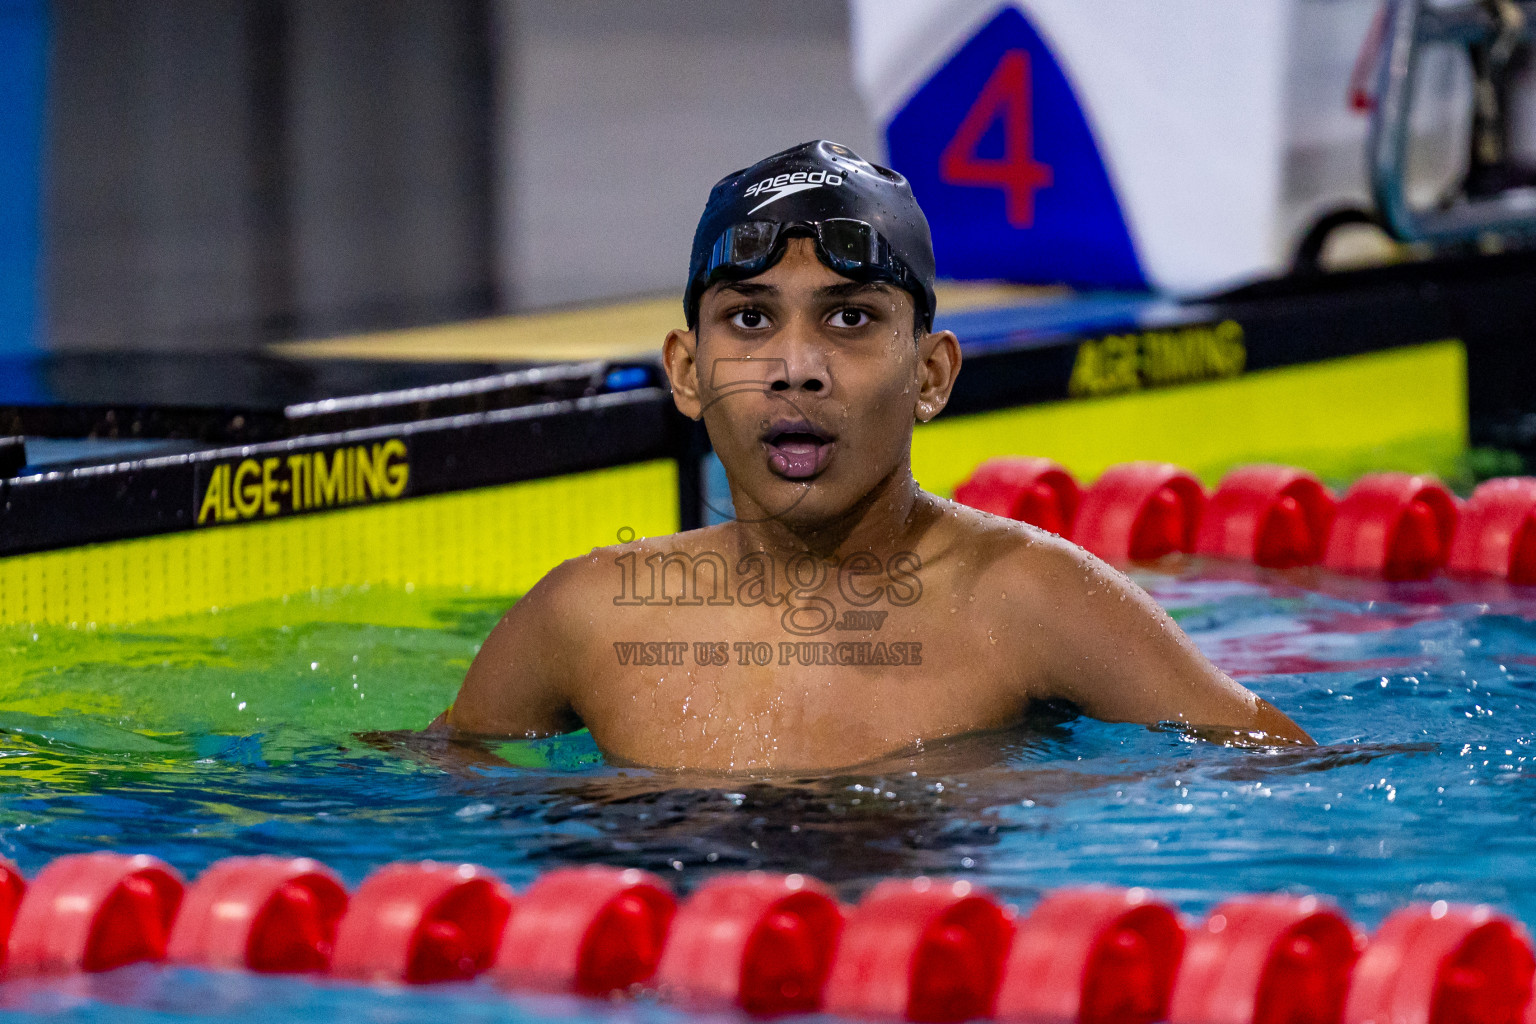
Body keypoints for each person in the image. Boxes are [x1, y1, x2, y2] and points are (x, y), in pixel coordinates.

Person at [437, 140, 1313, 771]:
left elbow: (1289, 777)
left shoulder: (1034, 601)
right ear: (688, 371)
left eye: (850, 318)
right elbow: (416, 797)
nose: (796, 369)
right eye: (750, 318)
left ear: (931, 374)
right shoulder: (586, 618)